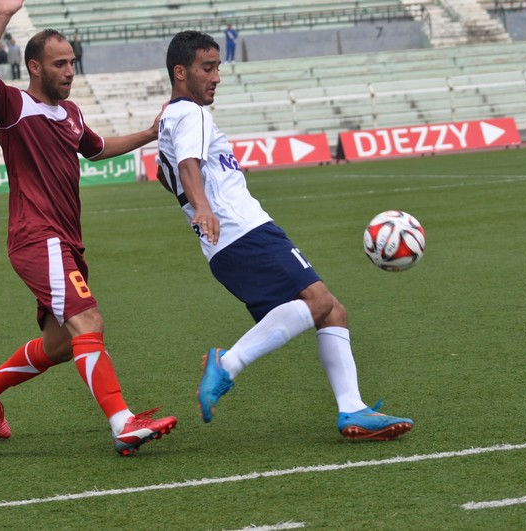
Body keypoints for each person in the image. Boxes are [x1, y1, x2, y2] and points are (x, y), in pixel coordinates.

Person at [156, 31, 414, 441]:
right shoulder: (191, 114)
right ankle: (227, 364)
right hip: (243, 230)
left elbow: (168, 173)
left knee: (332, 311)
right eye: (208, 68)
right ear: (180, 72)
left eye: (218, 67)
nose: (217, 76)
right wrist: (203, 207)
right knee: (320, 302)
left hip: (226, 242)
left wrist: (199, 208)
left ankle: (352, 409)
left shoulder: (171, 119)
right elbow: (188, 165)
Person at [0, 0, 177, 456]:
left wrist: (149, 133)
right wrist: (1, 16)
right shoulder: (14, 106)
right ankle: (123, 422)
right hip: (37, 237)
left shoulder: (73, 113)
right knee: (89, 321)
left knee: (61, 344)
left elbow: (96, 148)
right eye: (60, 64)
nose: (70, 71)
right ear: (35, 67)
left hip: (65, 242)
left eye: (72, 63)